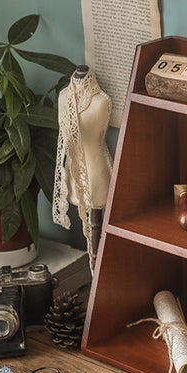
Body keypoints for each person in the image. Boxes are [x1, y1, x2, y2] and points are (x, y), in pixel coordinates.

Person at [52, 65, 112, 271]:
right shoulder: (64, 96)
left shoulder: (101, 100)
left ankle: (99, 275)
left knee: (98, 229)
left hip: (96, 173)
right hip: (72, 173)